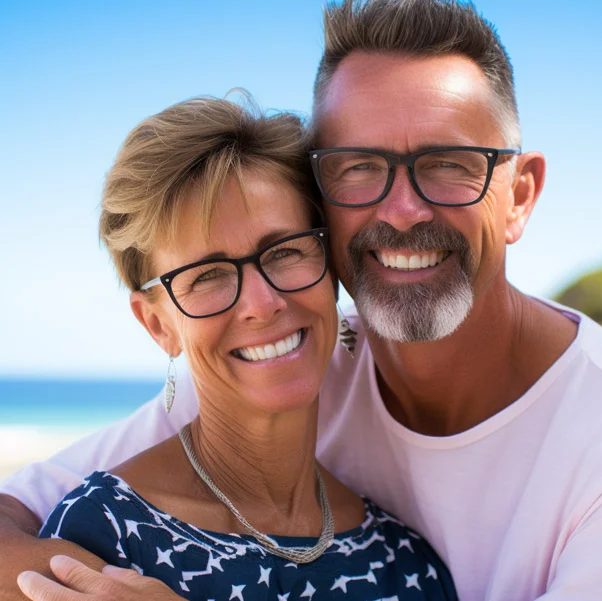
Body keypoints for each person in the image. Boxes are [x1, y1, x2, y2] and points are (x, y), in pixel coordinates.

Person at [3, 1, 602, 601]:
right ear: (325, 205)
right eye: (359, 169)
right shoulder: (287, 361)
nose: (402, 210)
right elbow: (17, 512)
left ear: (519, 197)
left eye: (447, 165)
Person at [20, 94, 458, 600]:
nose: (262, 303)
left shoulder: (404, 565)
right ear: (158, 325)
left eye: (286, 250)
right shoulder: (100, 539)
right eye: (206, 275)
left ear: (332, 270)